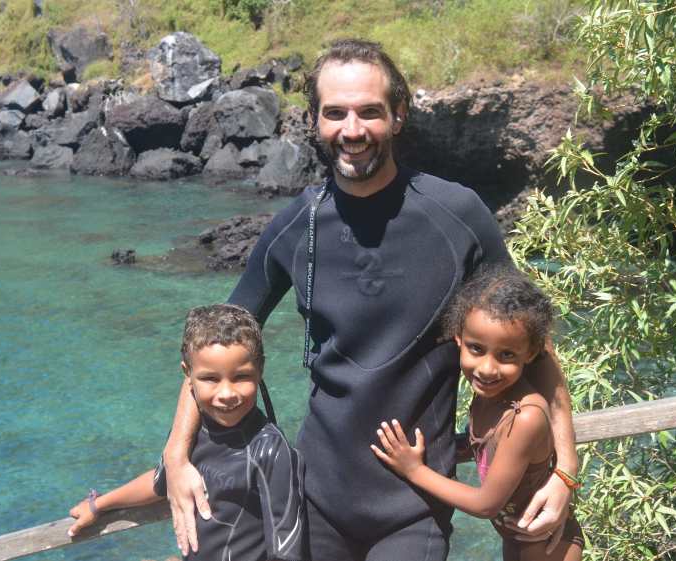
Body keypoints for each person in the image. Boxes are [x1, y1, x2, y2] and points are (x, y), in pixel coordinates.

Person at [163, 39, 578, 561]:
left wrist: (565, 471)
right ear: (314, 120)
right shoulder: (297, 225)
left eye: (370, 112)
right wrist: (177, 455)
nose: (352, 130)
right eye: (335, 113)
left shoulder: (458, 215)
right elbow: (214, 344)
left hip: (415, 507)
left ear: (399, 115)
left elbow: (533, 344)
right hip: (314, 500)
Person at [372, 265, 584, 561]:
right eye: (476, 348)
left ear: (531, 352)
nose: (487, 368)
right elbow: (490, 449)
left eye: (506, 355)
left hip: (547, 547)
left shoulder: (524, 417)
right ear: (458, 337)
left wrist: (414, 470)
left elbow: (486, 505)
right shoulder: (492, 394)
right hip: (519, 538)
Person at [68, 304, 305, 561]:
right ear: (187, 374)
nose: (227, 393)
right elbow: (160, 482)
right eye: (210, 379)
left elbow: (287, 552)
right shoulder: (192, 432)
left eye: (241, 376)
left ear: (260, 371)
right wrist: (98, 505)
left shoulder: (270, 450)